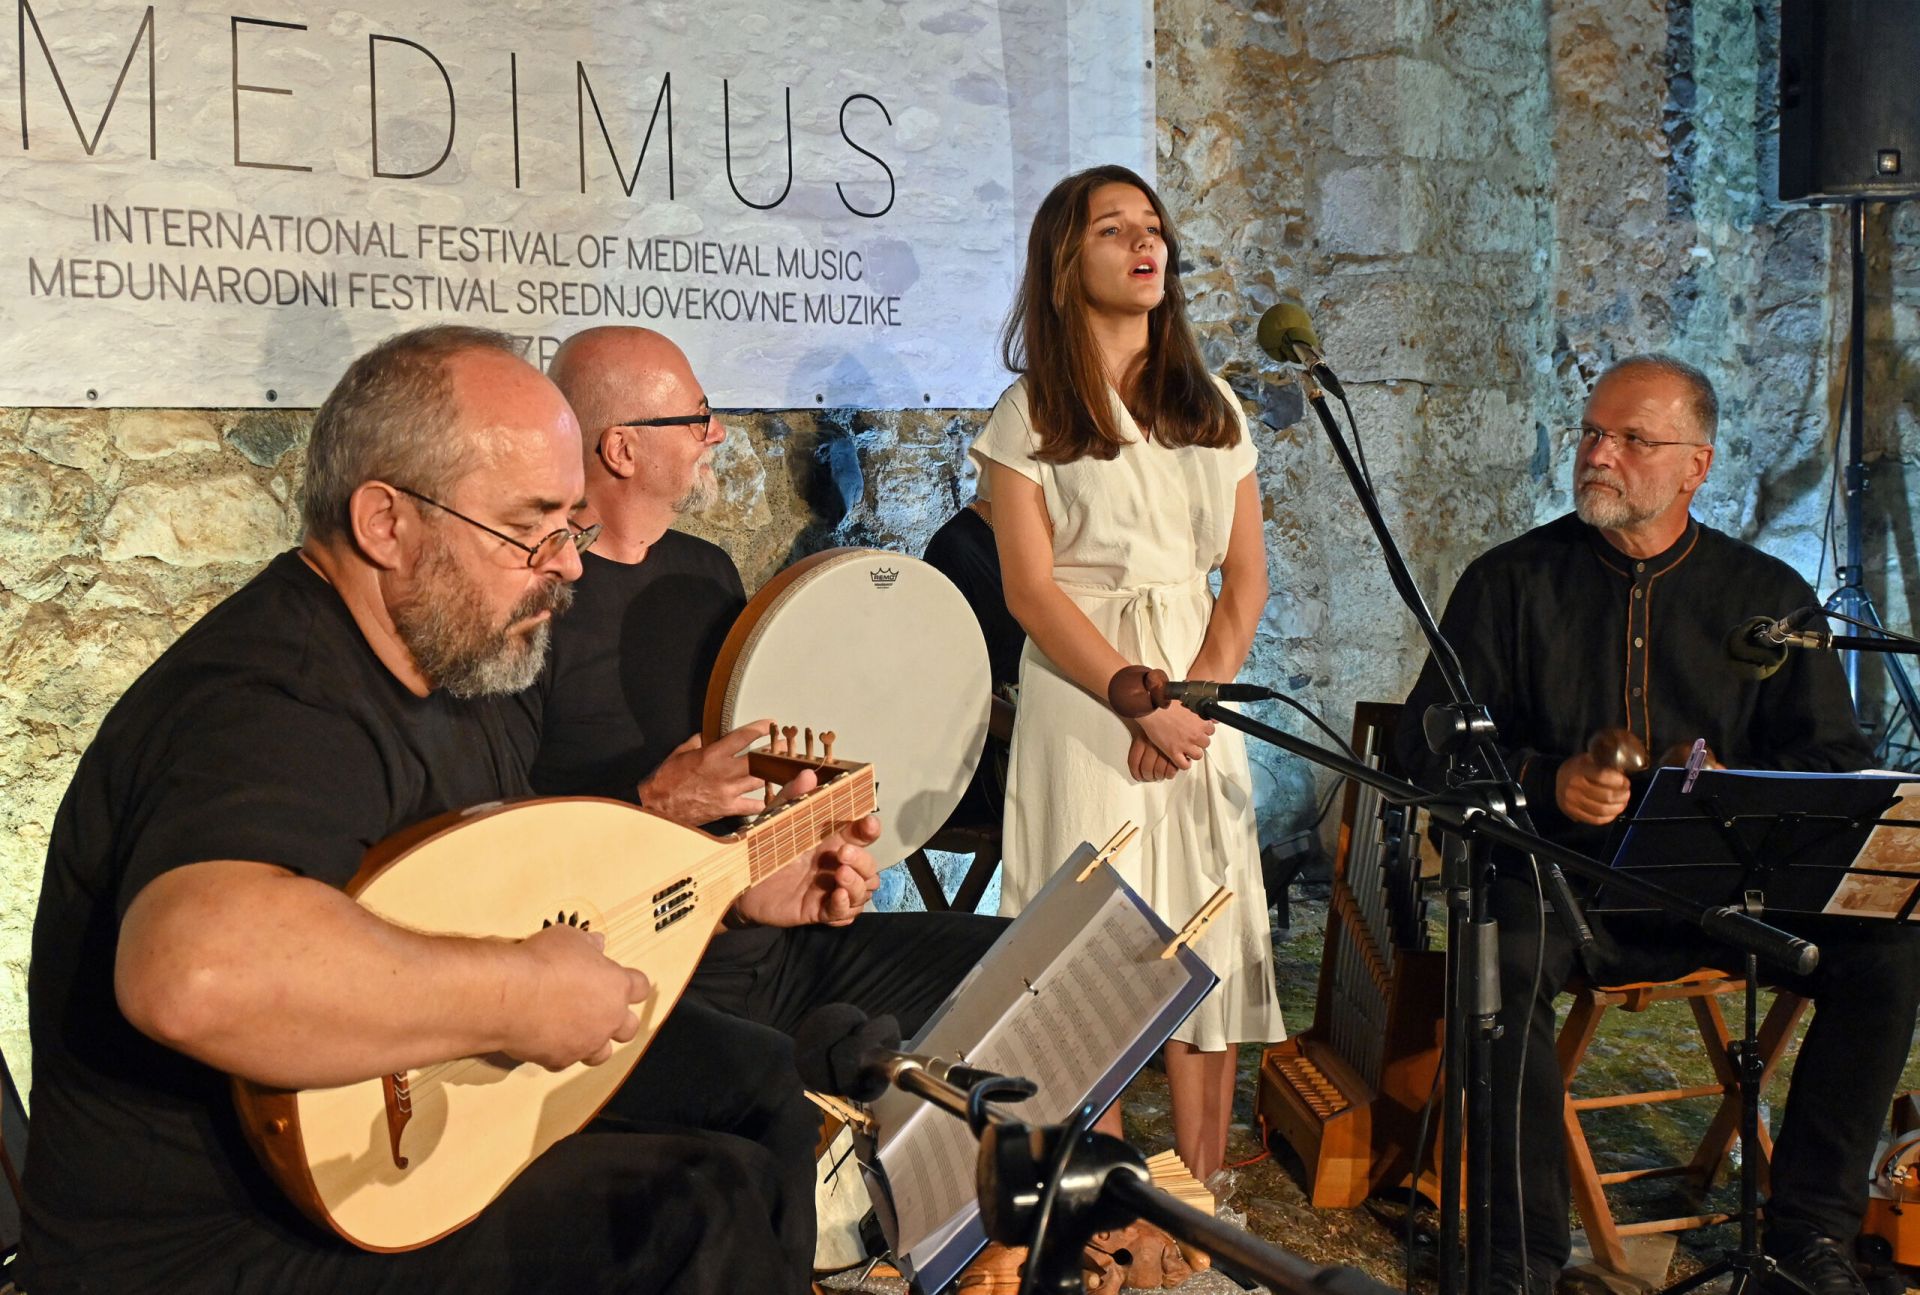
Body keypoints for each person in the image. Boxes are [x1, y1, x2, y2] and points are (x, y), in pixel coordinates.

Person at [18, 325, 879, 1294]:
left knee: (753, 1083)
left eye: (573, 526)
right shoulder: (272, 696)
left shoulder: (465, 664)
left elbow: (500, 896)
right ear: (386, 522)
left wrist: (723, 885)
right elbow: (198, 971)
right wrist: (520, 994)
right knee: (690, 1206)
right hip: (204, 1241)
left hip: (370, 1137)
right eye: (532, 528)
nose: (570, 565)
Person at [1393, 354, 1920, 1295]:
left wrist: (1730, 789)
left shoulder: (1768, 598)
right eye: (1594, 432)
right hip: (1562, 885)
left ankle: (1807, 1236)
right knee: (1495, 967)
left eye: (1633, 439)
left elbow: (1835, 762)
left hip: (1723, 885)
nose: (1600, 454)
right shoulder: (1510, 581)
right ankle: (1521, 1259)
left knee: (1890, 952)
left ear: (1696, 465)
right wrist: (1546, 780)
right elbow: (1422, 747)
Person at [522, 324, 1003, 1043]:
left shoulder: (706, 571)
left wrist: (801, 862)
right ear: (622, 449)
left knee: (1022, 967)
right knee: (774, 1081)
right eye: (696, 416)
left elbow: (751, 770)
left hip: (765, 939)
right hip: (644, 976)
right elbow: (513, 850)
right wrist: (653, 805)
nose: (716, 432)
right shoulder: (532, 608)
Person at [969, 164, 1286, 1185]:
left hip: (1198, 691)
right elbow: (1030, 589)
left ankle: (1196, 1194)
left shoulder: (1215, 405)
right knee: (1091, 946)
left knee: (1211, 926)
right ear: (1069, 260)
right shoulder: (1028, 416)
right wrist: (1135, 703)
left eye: (1153, 228)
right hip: (1087, 690)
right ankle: (1094, 1195)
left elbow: (1243, 581)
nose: (1146, 244)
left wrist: (1189, 704)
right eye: (1114, 230)